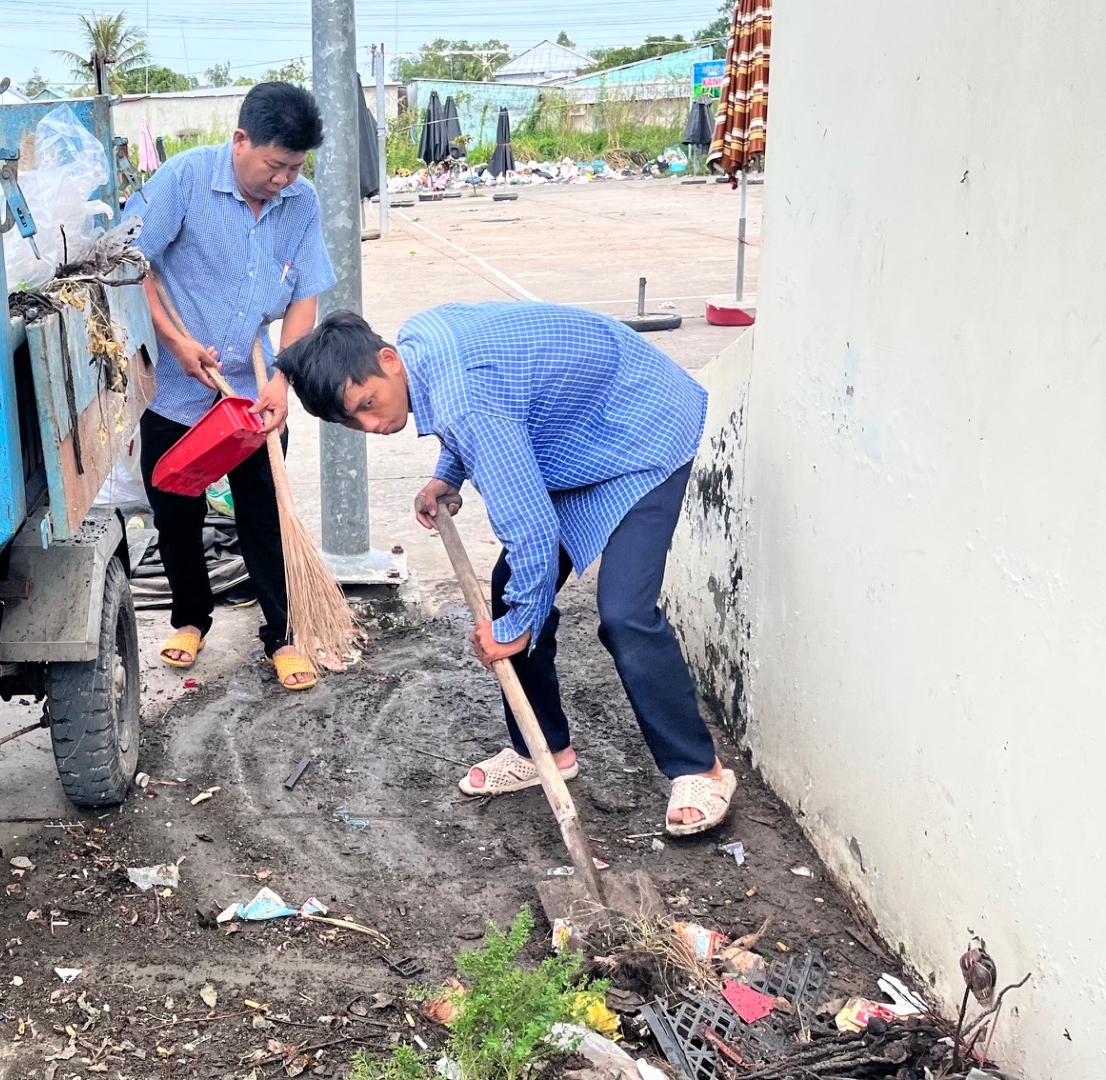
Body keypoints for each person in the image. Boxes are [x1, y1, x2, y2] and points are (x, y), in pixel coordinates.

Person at [274, 304, 736, 835]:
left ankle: (701, 770)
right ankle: (543, 751)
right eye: (353, 421)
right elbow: (494, 413)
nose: (372, 425)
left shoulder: (464, 401)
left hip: (643, 429)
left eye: (368, 404)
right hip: (578, 438)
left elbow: (532, 530)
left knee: (625, 612)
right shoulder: (422, 340)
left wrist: (514, 631)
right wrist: (448, 474)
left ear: (387, 360)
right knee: (508, 587)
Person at [125, 82, 336, 691]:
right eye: (275, 165)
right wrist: (174, 342)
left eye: (295, 168)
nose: (284, 179)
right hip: (174, 388)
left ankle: (283, 634)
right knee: (176, 511)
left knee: (265, 515)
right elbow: (130, 263)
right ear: (240, 140)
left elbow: (304, 296)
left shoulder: (302, 203)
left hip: (252, 392)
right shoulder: (184, 180)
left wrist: (286, 378)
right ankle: (190, 618)